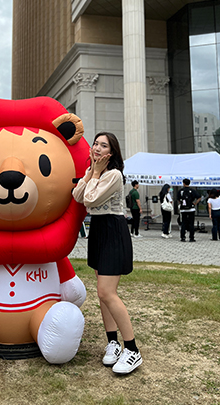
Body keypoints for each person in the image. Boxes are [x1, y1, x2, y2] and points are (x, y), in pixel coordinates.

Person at [72, 132, 142, 375]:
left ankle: (132, 349)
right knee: (102, 294)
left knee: (107, 292)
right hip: (99, 231)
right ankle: (112, 342)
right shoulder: (94, 173)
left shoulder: (113, 175)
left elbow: (90, 199)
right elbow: (76, 195)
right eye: (96, 144)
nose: (97, 148)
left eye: (104, 145)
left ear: (112, 153)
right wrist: (92, 172)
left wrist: (95, 173)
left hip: (113, 229)